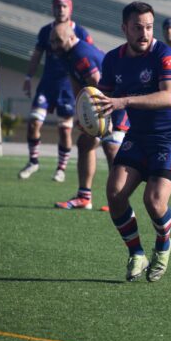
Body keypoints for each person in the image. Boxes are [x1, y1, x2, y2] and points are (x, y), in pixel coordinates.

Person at [95, 2, 171, 282]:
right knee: (115, 193)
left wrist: (122, 101)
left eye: (149, 27)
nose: (145, 33)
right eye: (138, 27)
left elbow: (170, 97)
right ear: (124, 28)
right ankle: (136, 253)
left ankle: (163, 243)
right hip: (137, 137)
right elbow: (102, 98)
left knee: (154, 201)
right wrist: (92, 118)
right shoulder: (113, 59)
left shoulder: (166, 55)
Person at [49, 22, 129, 211]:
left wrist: (102, 118)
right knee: (85, 144)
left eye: (57, 41)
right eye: (51, 41)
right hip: (102, 104)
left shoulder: (80, 54)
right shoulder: (66, 54)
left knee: (111, 147)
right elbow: (79, 86)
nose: (54, 45)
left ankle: (119, 200)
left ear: (70, 37)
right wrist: (81, 115)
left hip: (115, 103)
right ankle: (84, 198)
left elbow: (97, 86)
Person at [18, 0, 94, 183]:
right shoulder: (46, 31)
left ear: (70, 9)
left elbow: (90, 57)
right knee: (34, 123)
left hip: (69, 86)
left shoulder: (82, 33)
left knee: (64, 130)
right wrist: (28, 77)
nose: (61, 10)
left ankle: (61, 168)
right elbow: (36, 55)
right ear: (52, 8)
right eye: (57, 6)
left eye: (64, 6)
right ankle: (33, 161)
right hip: (47, 84)